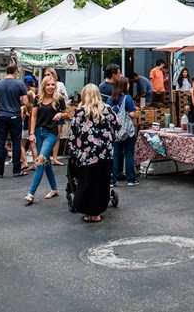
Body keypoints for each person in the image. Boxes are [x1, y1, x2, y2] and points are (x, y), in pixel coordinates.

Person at [68, 84, 117, 222]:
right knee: (102, 182)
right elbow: (117, 126)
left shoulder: (80, 112)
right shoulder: (107, 110)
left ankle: (87, 210)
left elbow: (73, 134)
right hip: (105, 154)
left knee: (86, 181)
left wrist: (73, 149)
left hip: (86, 154)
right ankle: (97, 213)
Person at [24, 75, 67, 205]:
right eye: (48, 84)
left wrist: (61, 114)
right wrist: (31, 133)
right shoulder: (38, 98)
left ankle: (31, 193)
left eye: (53, 84)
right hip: (39, 132)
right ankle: (54, 189)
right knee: (46, 162)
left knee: (41, 160)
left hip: (51, 134)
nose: (50, 87)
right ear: (43, 86)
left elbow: (67, 113)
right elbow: (33, 117)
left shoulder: (59, 99)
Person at [0, 65, 29, 177]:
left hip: (2, 115)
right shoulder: (20, 84)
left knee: (1, 142)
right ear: (15, 72)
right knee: (16, 142)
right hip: (15, 115)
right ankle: (16, 169)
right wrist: (18, 103)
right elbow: (25, 101)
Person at [109, 76, 139, 187]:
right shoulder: (128, 98)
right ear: (123, 86)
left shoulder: (110, 99)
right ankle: (131, 179)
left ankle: (113, 179)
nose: (129, 85)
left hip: (115, 131)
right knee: (129, 154)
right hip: (127, 131)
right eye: (128, 84)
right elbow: (132, 114)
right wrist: (135, 113)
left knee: (116, 155)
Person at [43, 67, 67, 165]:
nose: (47, 77)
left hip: (57, 113)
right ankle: (46, 156)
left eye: (49, 74)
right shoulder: (43, 85)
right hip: (46, 114)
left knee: (57, 136)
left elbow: (65, 98)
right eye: (45, 75)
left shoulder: (60, 85)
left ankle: (55, 157)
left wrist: (60, 94)